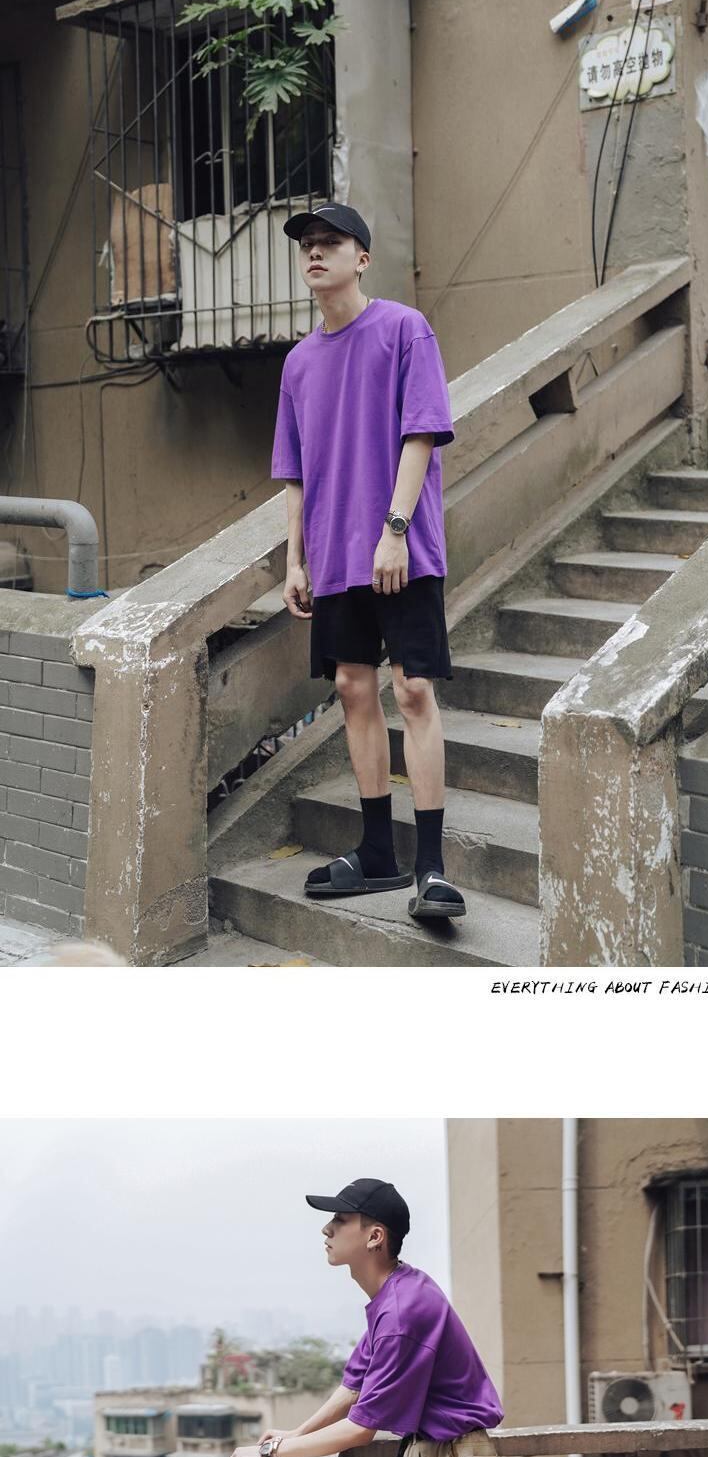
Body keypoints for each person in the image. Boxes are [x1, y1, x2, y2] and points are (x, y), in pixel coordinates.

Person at [270, 199, 464, 928]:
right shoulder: (297, 363)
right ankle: (378, 851)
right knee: (354, 689)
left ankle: (431, 867)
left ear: (362, 257)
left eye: (331, 241)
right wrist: (294, 561)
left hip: (401, 548)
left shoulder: (404, 329)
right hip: (332, 555)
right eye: (307, 245)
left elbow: (422, 433)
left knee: (412, 690)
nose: (315, 252)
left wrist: (395, 530)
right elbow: (295, 475)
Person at [226, 1174, 501, 1457]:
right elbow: (354, 1387)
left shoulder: (403, 1311)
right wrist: (296, 1433)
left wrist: (272, 1453)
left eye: (339, 1220)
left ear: (374, 1237)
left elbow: (360, 1429)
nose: (326, 1229)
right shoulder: (394, 1294)